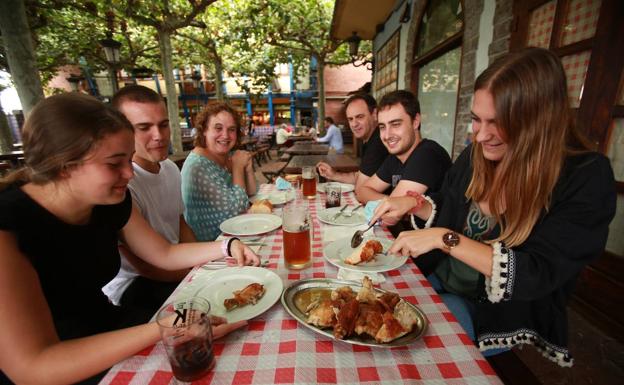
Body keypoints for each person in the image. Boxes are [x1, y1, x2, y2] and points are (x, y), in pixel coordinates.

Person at [373, 48, 616, 365]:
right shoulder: (476, 155)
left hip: (493, 312)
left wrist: (445, 238)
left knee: (403, 350)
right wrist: (411, 204)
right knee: (374, 301)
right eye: (476, 119)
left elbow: (537, 273)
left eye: (498, 122)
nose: (482, 134)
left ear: (539, 120)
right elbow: (448, 203)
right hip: (440, 280)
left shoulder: (585, 176)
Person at [0, 93, 259, 384]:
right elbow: (33, 367)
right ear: (64, 165)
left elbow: (163, 253)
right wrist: (171, 325)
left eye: (127, 159)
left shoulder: (109, 200)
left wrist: (227, 245)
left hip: (107, 325)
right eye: (114, 164)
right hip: (57, 365)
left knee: (230, 344)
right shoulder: (8, 225)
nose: (127, 172)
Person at [101, 85, 194, 315]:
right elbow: (145, 266)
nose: (159, 136)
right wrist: (195, 272)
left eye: (163, 125)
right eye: (144, 127)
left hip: (176, 267)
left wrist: (199, 268)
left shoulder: (171, 168)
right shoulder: (121, 184)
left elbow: (180, 222)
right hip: (135, 285)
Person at [357, 90, 451, 225]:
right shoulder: (395, 157)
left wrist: (391, 203)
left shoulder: (427, 154)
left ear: (415, 122)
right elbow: (362, 191)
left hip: (435, 242)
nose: (387, 135)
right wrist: (391, 201)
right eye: (382, 127)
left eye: (395, 124)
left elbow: (390, 215)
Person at [181, 102, 257, 241]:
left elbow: (251, 193)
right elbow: (237, 209)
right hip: (211, 248)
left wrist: (248, 169)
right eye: (218, 128)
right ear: (204, 130)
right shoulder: (198, 165)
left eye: (231, 129)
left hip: (233, 238)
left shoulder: (224, 156)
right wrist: (238, 167)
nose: (225, 135)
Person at [317, 94, 389, 193]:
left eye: (360, 117)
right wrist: (333, 174)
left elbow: (360, 189)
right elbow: (360, 176)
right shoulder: (370, 140)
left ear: (375, 114)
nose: (354, 124)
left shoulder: (378, 142)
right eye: (350, 119)